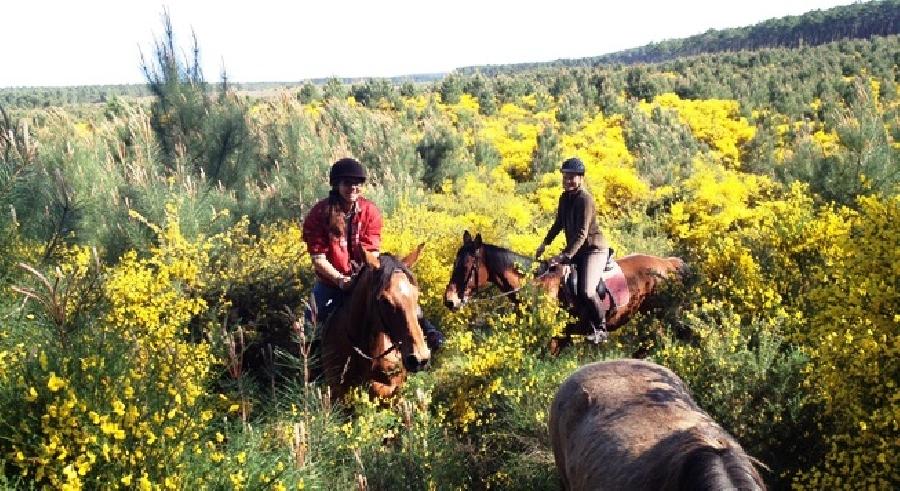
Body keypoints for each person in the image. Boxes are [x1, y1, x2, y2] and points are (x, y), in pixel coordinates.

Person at [302, 157, 445, 350]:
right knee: (311, 323)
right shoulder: (319, 213)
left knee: (399, 298)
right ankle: (313, 370)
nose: (353, 187)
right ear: (337, 185)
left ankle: (426, 332)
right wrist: (341, 280)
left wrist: (361, 277)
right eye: (347, 183)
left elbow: (371, 251)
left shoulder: (370, 211)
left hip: (365, 274)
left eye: (357, 183)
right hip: (331, 282)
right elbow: (318, 258)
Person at [534, 157, 610, 343]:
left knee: (587, 290)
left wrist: (565, 256)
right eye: (565, 177)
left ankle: (601, 328)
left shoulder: (585, 199)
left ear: (581, 178)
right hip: (576, 251)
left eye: (572, 177)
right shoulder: (564, 197)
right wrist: (545, 243)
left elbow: (582, 234)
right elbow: (559, 223)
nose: (568, 181)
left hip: (593, 250)